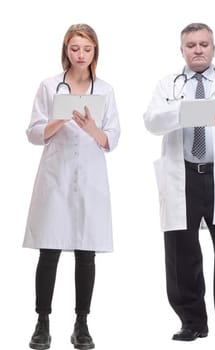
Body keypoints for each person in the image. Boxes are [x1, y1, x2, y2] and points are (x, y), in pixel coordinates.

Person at [143, 22, 215, 348]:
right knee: (182, 254)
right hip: (183, 176)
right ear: (181, 50)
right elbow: (151, 120)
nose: (198, 50)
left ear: (213, 48)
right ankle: (191, 322)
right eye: (191, 45)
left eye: (204, 44)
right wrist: (184, 112)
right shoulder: (168, 84)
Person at [23, 23, 120, 350]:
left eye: (87, 49)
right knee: (48, 250)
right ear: (66, 49)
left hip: (90, 179)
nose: (80, 55)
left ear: (95, 52)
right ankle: (42, 322)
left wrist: (92, 127)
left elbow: (112, 138)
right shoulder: (50, 87)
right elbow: (33, 131)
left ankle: (82, 324)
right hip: (55, 177)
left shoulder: (105, 90)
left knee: (85, 252)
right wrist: (58, 120)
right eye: (75, 48)